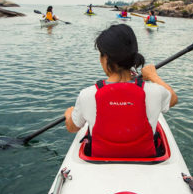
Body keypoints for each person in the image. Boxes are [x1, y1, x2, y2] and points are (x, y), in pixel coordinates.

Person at [64, 24, 177, 158]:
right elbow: (173, 99)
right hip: (145, 159)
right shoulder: (155, 92)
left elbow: (72, 128)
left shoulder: (87, 95)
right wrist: (153, 76)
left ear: (105, 58)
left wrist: (69, 115)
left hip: (99, 159)